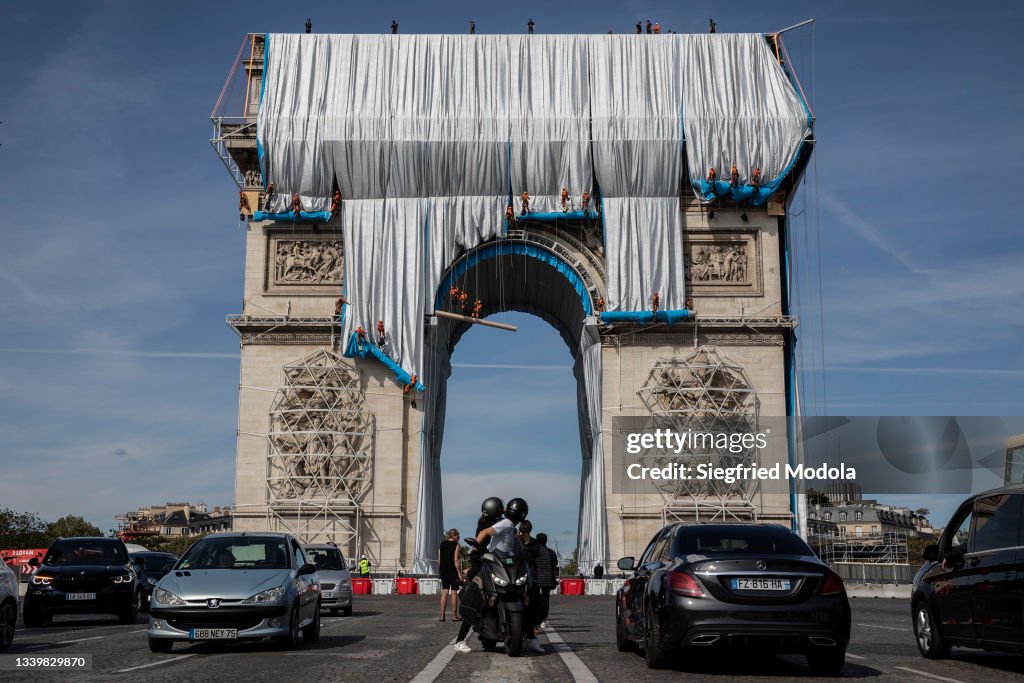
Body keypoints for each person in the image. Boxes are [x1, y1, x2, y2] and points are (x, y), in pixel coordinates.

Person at [454, 497, 505, 653]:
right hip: (483, 566)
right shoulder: (485, 527)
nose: (501, 514)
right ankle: (460, 640)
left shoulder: (497, 525)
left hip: (498, 565)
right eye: (499, 511)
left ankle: (528, 635)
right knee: (475, 601)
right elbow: (478, 549)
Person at [527, 533, 558, 631]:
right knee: (545, 600)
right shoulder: (551, 552)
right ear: (546, 541)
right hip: (547, 579)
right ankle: (543, 619)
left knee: (534, 600)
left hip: (535, 578)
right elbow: (555, 564)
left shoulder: (533, 551)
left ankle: (535, 623)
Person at [439, 529, 463, 622]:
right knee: (454, 593)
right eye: (458, 536)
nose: (459, 538)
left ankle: (442, 615)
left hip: (443, 571)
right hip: (453, 572)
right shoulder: (456, 545)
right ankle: (454, 616)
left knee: (444, 592)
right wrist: (459, 574)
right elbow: (456, 561)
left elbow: (439, 559)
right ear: (454, 535)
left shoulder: (442, 544)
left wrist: (441, 570)